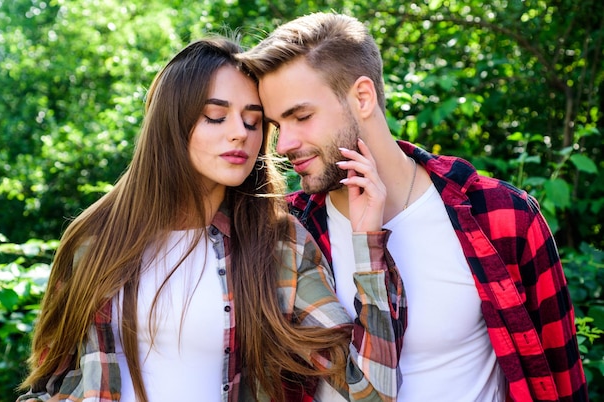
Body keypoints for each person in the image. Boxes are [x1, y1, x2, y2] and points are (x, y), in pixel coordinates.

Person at [15, 37, 403, 402]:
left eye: (253, 122)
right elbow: (52, 382)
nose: (240, 134)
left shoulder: (279, 243)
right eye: (216, 117)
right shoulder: (95, 239)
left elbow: (368, 390)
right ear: (172, 123)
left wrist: (368, 244)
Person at [238, 11, 589, 401]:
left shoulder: (503, 217)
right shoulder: (286, 231)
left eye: (301, 116)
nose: (283, 144)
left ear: (363, 98)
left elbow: (559, 380)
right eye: (277, 125)